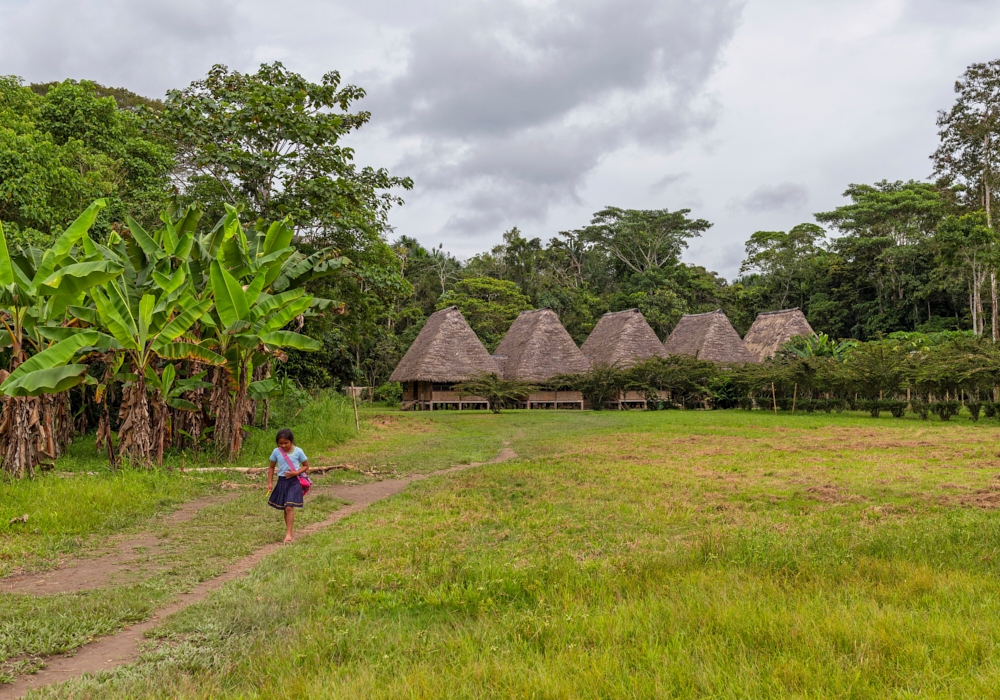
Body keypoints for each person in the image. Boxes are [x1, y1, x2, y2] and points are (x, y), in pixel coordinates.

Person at [267, 428, 310, 542]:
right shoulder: (276, 452)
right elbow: (271, 467)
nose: (284, 445)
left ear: (291, 441)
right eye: (280, 443)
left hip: (294, 482)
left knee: (289, 507)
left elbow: (306, 466)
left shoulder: (298, 451)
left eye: (286, 443)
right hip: (282, 482)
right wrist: (270, 483)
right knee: (285, 508)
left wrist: (296, 472)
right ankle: (289, 531)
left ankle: (288, 534)